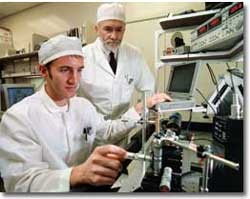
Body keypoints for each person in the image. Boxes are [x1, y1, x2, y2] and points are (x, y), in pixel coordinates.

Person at [0, 35, 168, 192]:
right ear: (44, 71)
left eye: (79, 70)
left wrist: (142, 107)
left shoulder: (83, 106)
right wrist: (77, 174)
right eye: (65, 70)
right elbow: (20, 183)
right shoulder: (19, 117)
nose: (74, 80)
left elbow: (107, 131)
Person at [79, 3, 170, 146]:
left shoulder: (134, 54)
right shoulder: (82, 56)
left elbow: (148, 87)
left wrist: (142, 110)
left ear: (124, 29)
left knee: (119, 167)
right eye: (108, 29)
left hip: (122, 131)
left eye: (119, 30)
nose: (114, 36)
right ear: (97, 29)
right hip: (90, 135)